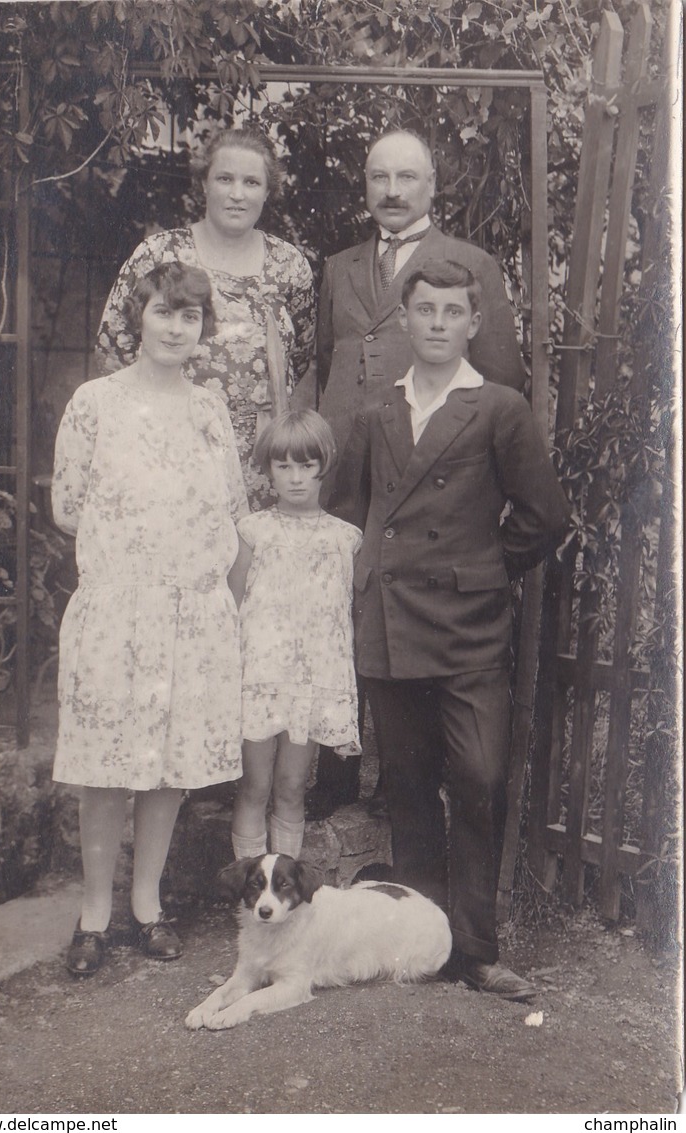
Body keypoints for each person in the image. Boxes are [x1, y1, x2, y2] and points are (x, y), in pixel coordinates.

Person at [330, 261, 571, 1001]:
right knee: (405, 784)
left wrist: (481, 570)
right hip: (391, 626)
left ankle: (479, 951)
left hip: (468, 629)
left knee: (479, 778)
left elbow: (544, 517)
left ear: (473, 323)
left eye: (452, 312)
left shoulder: (498, 406)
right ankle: (426, 945)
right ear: (405, 319)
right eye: (424, 309)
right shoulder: (374, 413)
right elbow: (347, 515)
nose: (436, 323)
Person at [295, 127, 528, 819]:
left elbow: (502, 379)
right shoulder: (337, 266)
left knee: (403, 613)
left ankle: (398, 782)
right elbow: (327, 361)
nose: (391, 192)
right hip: (343, 474)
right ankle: (338, 772)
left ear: (433, 187)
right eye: (378, 178)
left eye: (406, 178)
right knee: (344, 612)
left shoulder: (469, 263)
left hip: (422, 476)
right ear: (365, 186)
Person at [52, 262, 249, 977]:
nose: (175, 327)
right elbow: (67, 505)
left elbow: (231, 507)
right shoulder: (95, 402)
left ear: (202, 330)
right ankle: (94, 914)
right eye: (164, 312)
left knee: (169, 766)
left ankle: (147, 906)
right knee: (106, 767)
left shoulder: (209, 408)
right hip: (118, 608)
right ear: (139, 317)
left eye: (189, 316)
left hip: (191, 612)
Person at [95, 127, 316, 510]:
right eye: (224, 179)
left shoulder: (289, 266)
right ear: (204, 184)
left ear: (268, 191)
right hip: (171, 443)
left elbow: (302, 356)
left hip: (260, 453)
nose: (237, 193)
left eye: (251, 182)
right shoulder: (161, 254)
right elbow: (113, 347)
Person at [227, 410, 362, 862]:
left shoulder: (345, 539)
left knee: (289, 787)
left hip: (308, 685)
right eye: (283, 466)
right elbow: (234, 603)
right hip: (260, 680)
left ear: (324, 466)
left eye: (306, 466)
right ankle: (252, 886)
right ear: (268, 470)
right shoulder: (253, 531)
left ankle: (283, 891)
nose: (296, 478)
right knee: (255, 785)